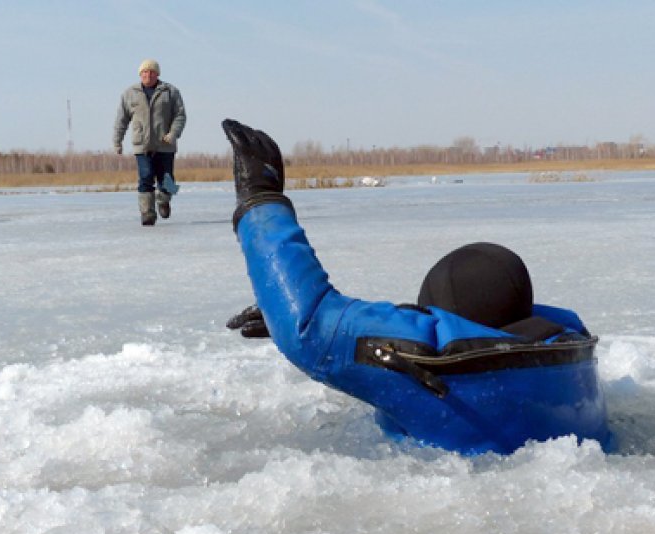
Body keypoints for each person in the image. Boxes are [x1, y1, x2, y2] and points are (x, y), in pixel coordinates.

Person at [222, 119, 613, 455]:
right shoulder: (561, 352)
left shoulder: (450, 370)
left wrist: (261, 200)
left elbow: (309, 330)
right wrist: (278, 310)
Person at [113, 59, 186, 226]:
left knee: (167, 180)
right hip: (142, 145)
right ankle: (147, 213)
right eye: (145, 72)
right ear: (140, 74)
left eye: (152, 72)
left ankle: (164, 200)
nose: (148, 74)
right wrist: (117, 141)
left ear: (157, 74)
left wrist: (173, 133)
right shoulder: (130, 93)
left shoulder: (170, 91)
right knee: (145, 178)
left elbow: (180, 116)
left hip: (165, 145)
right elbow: (121, 120)